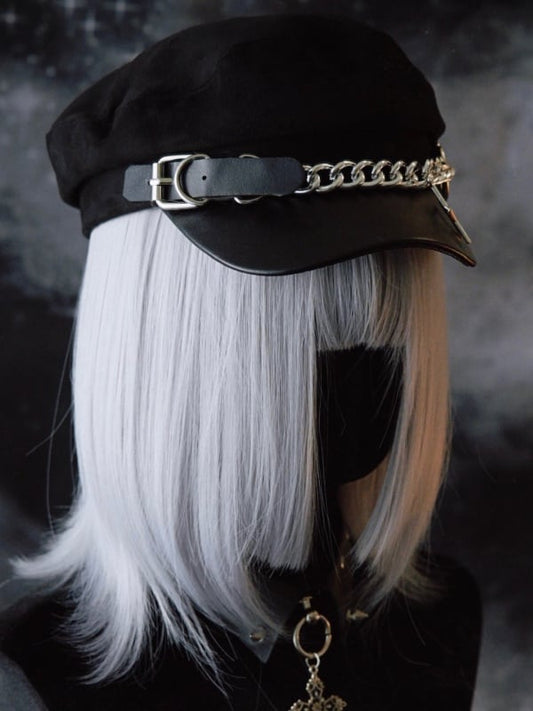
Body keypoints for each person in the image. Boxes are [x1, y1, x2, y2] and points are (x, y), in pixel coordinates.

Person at [0, 14, 481, 710]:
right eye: (294, 338)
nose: (358, 373)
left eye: (384, 322)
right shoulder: (35, 671)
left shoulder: (434, 617)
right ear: (157, 336)